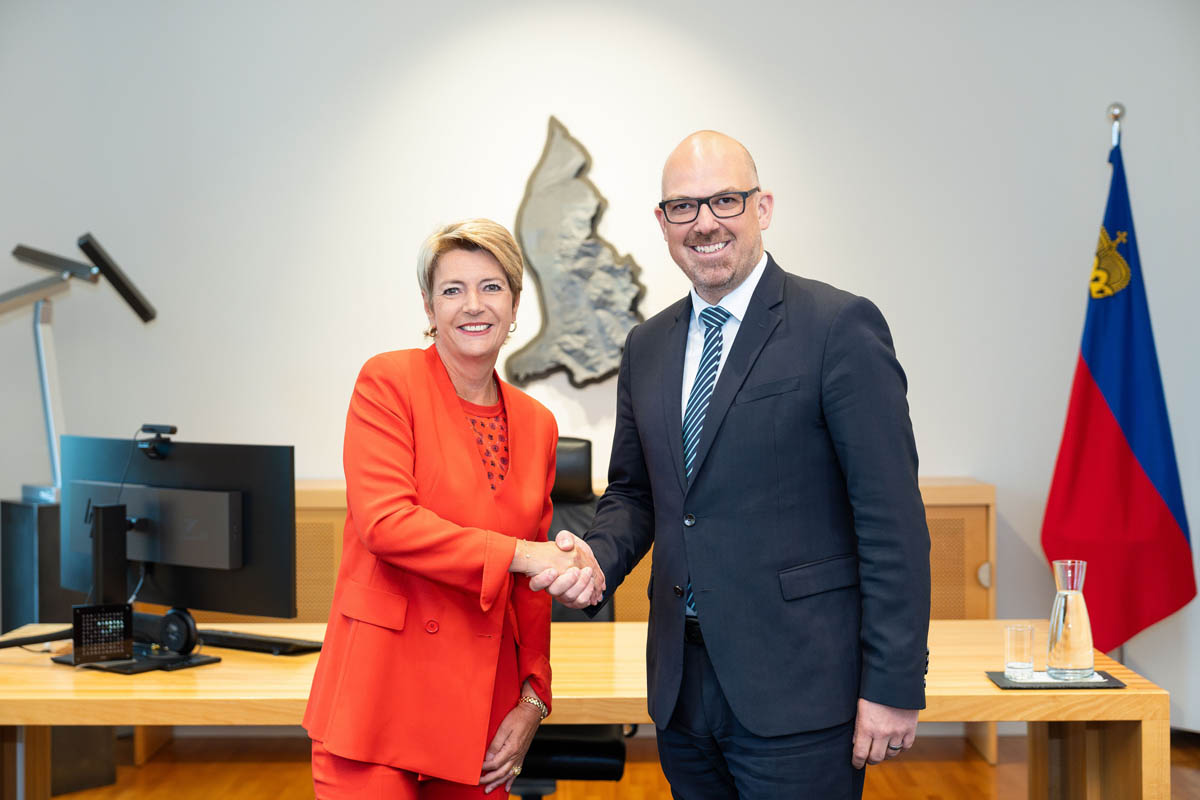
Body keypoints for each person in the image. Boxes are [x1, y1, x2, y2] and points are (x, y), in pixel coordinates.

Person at [538, 131, 931, 798]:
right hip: (682, 691)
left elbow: (891, 519)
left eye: (725, 200)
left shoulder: (837, 328)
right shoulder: (647, 346)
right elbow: (636, 493)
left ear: (763, 207)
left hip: (801, 688)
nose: (706, 223)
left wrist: (893, 685)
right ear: (662, 223)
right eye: (684, 207)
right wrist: (598, 559)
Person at [304, 218, 603, 798]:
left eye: (492, 287)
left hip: (480, 712)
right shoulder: (387, 382)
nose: (474, 305)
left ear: (516, 304)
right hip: (378, 700)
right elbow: (387, 524)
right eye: (452, 289)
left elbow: (532, 588)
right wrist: (521, 553)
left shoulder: (538, 424)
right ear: (429, 304)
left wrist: (532, 698)